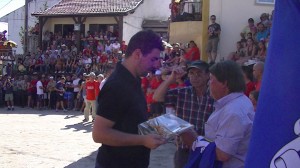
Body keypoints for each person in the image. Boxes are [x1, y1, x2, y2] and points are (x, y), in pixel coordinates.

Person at [92, 30, 166, 168]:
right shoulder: (117, 85)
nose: (156, 65)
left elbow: (128, 120)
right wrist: (143, 140)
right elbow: (99, 134)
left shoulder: (134, 79)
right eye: (153, 59)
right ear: (137, 54)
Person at [181, 60, 255, 168]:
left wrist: (194, 140)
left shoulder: (233, 112)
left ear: (224, 83)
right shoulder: (239, 101)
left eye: (211, 79)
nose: (208, 83)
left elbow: (222, 154)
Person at [153, 60, 214, 168]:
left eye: (199, 74)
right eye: (191, 73)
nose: (195, 77)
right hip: (184, 149)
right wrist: (170, 80)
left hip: (207, 148)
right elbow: (157, 97)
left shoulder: (214, 95)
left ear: (207, 75)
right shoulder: (182, 93)